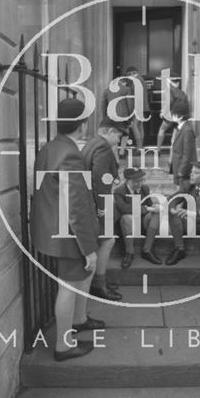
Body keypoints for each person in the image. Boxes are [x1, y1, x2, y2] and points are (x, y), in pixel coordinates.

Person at [30, 98, 103, 362]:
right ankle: (63, 346)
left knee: (78, 279)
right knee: (70, 285)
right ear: (82, 125)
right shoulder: (70, 153)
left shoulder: (50, 147)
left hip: (51, 227)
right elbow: (77, 207)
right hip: (68, 233)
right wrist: (88, 248)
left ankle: (79, 319)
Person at [82, 117, 128, 301]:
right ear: (109, 131)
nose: (119, 140)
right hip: (98, 203)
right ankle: (98, 285)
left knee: (103, 242)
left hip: (90, 201)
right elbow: (100, 179)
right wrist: (103, 208)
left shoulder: (91, 143)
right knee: (107, 242)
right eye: (118, 135)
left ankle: (97, 282)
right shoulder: (102, 147)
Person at [114, 168, 161, 269]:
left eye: (141, 180)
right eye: (136, 181)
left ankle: (147, 250)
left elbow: (149, 205)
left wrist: (155, 207)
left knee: (156, 214)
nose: (139, 183)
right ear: (127, 180)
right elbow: (124, 208)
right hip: (127, 224)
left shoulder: (145, 188)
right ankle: (129, 252)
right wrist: (147, 208)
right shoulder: (119, 191)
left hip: (142, 221)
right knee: (127, 217)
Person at [157, 73, 188, 154]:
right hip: (180, 115)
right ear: (177, 83)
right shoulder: (182, 92)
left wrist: (163, 112)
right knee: (174, 136)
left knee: (162, 129)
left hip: (171, 114)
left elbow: (169, 103)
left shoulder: (170, 90)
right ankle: (172, 155)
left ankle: (158, 150)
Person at [170, 100, 197, 192]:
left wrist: (181, 171)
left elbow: (188, 154)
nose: (172, 116)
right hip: (179, 169)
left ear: (180, 116)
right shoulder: (180, 128)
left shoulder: (187, 131)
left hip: (184, 172)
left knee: (182, 196)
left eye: (173, 114)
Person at [101, 77, 131, 157]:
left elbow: (103, 105)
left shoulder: (107, 90)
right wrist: (131, 116)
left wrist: (105, 117)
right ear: (122, 82)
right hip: (123, 115)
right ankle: (122, 151)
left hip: (111, 116)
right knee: (126, 133)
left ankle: (115, 155)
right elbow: (130, 104)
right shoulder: (126, 89)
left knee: (114, 134)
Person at [124, 65, 150, 149]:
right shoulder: (141, 79)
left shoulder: (136, 81)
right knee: (140, 126)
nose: (128, 77)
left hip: (138, 106)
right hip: (143, 107)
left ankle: (139, 148)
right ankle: (141, 146)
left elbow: (136, 96)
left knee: (134, 125)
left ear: (132, 73)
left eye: (128, 75)